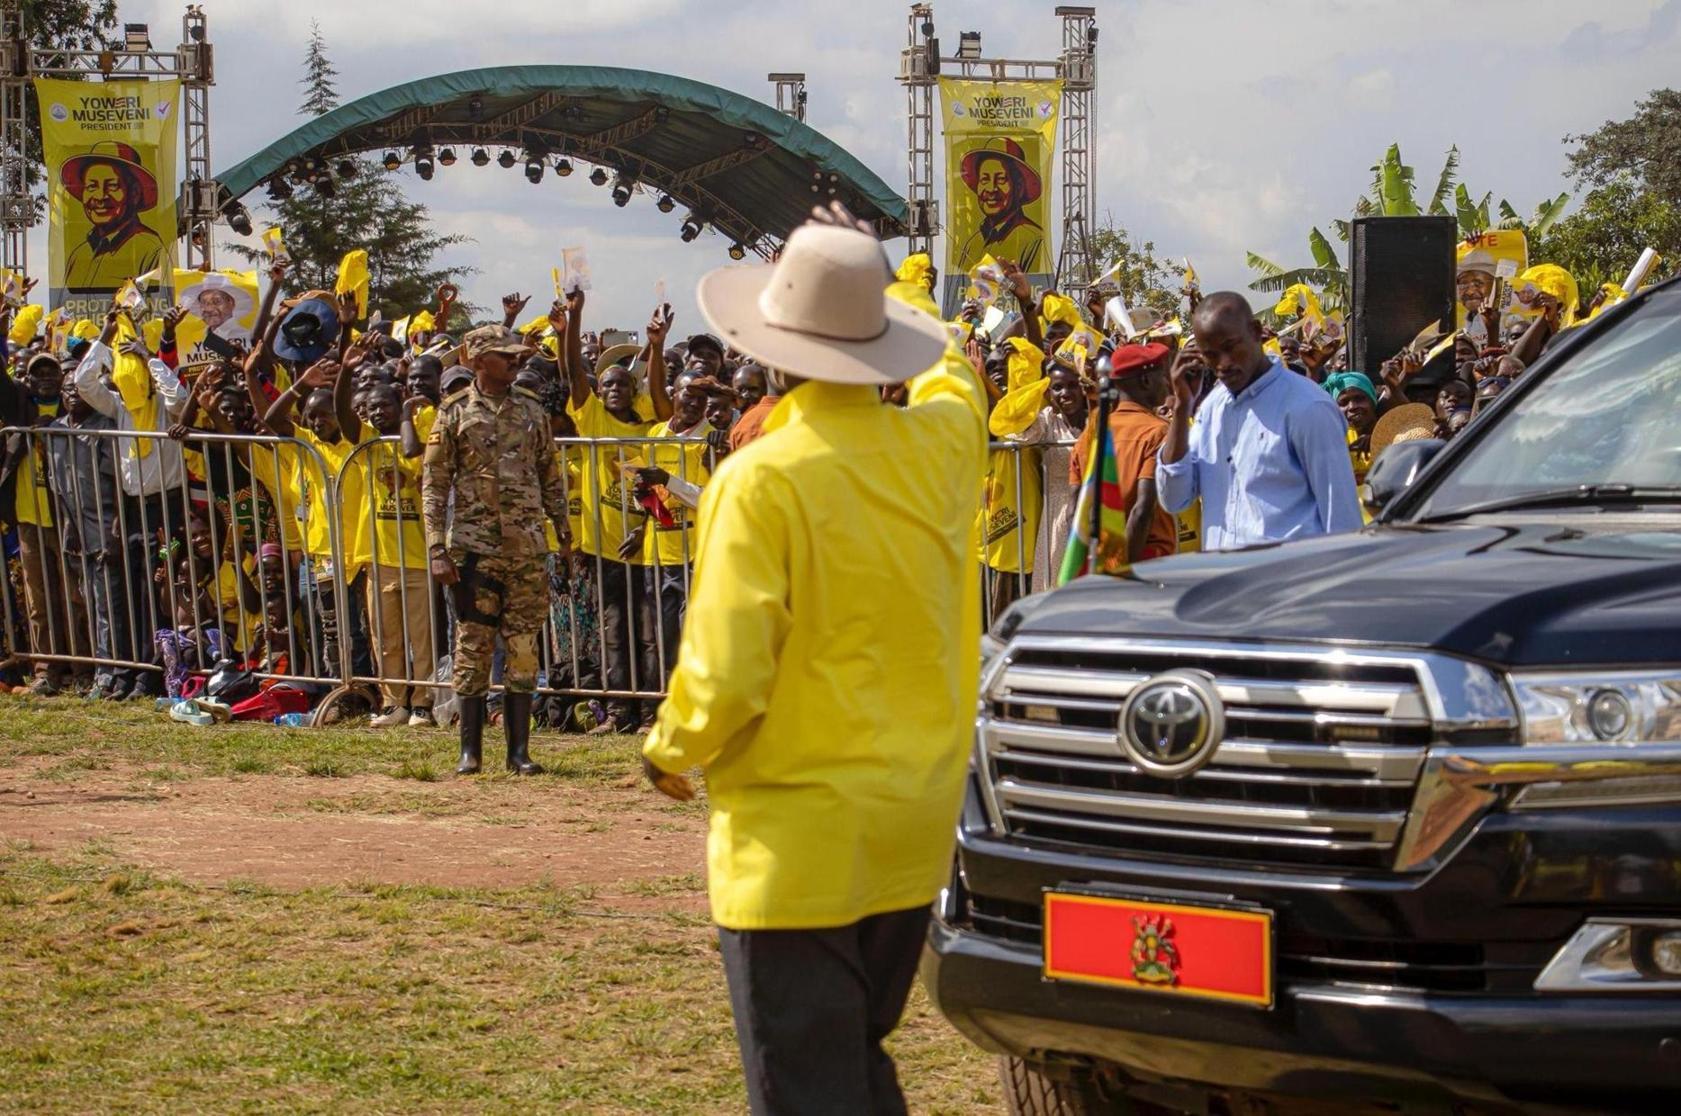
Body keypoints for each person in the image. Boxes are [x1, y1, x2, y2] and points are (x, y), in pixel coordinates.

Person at [641, 204, 986, 1115]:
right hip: (913, 824)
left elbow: (725, 668)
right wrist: (897, 282)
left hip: (795, 841)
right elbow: (957, 380)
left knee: (806, 1083)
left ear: (768, 349)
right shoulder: (941, 449)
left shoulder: (759, 476)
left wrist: (670, 748)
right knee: (855, 1061)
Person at [423, 324, 571, 775]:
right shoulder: (453, 412)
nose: (516, 361)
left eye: (517, 355)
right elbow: (434, 482)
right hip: (473, 548)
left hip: (526, 547)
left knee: (524, 647)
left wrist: (562, 527)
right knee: (473, 645)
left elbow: (549, 471)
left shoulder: (531, 410)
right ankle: (470, 752)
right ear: (479, 359)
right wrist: (435, 546)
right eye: (506, 355)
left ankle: (518, 752)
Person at [1159, 292, 1362, 550]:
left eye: (1231, 347)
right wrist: (1181, 406)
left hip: (1290, 583)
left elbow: (1342, 521)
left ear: (1255, 332)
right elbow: (1174, 499)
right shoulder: (1211, 409)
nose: (1223, 364)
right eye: (1210, 355)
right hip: (1224, 582)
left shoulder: (1309, 407)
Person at [564, 294, 672, 734]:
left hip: (646, 547)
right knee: (614, 632)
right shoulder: (591, 420)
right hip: (604, 548)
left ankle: (649, 712)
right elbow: (573, 371)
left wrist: (658, 347)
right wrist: (574, 319)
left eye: (621, 385)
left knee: (648, 636)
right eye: (605, 384)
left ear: (634, 391)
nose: (612, 390)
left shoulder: (648, 425)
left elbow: (661, 394)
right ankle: (620, 712)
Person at [74, 303, 191, 696]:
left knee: (162, 588)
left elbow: (180, 398)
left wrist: (151, 358)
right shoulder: (120, 406)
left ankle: (160, 670)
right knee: (135, 589)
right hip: (132, 507)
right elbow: (84, 383)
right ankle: (138, 668)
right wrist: (106, 336)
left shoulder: (161, 405)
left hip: (167, 507)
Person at [1071, 343, 1180, 568]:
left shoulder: (1088, 435)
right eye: (1162, 375)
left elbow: (1075, 508)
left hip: (1095, 561)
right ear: (1146, 381)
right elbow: (1142, 510)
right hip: (1146, 563)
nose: (1167, 383)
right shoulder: (1158, 432)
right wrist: (1120, 570)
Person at [61, 141, 167, 290]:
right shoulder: (78, 255)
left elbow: (154, 304)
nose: (100, 196)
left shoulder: (151, 250)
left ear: (134, 193)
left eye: (112, 186)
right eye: (91, 186)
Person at [955, 138, 1046, 274]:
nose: (991, 189)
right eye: (984, 179)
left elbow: (1032, 291)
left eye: (1001, 179)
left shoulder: (1034, 240)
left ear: (1019, 187)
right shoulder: (972, 244)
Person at [1323, 370, 1380, 484]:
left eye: (1359, 399)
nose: (1352, 406)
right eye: (1343, 402)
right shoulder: (1333, 438)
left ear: (1373, 400)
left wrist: (1378, 440)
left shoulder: (1395, 432)